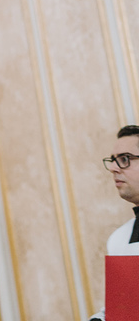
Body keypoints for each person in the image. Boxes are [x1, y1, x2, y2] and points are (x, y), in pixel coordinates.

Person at [92, 124, 139, 320]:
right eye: (113, 161)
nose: (113, 168)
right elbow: (123, 311)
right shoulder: (119, 239)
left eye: (124, 159)